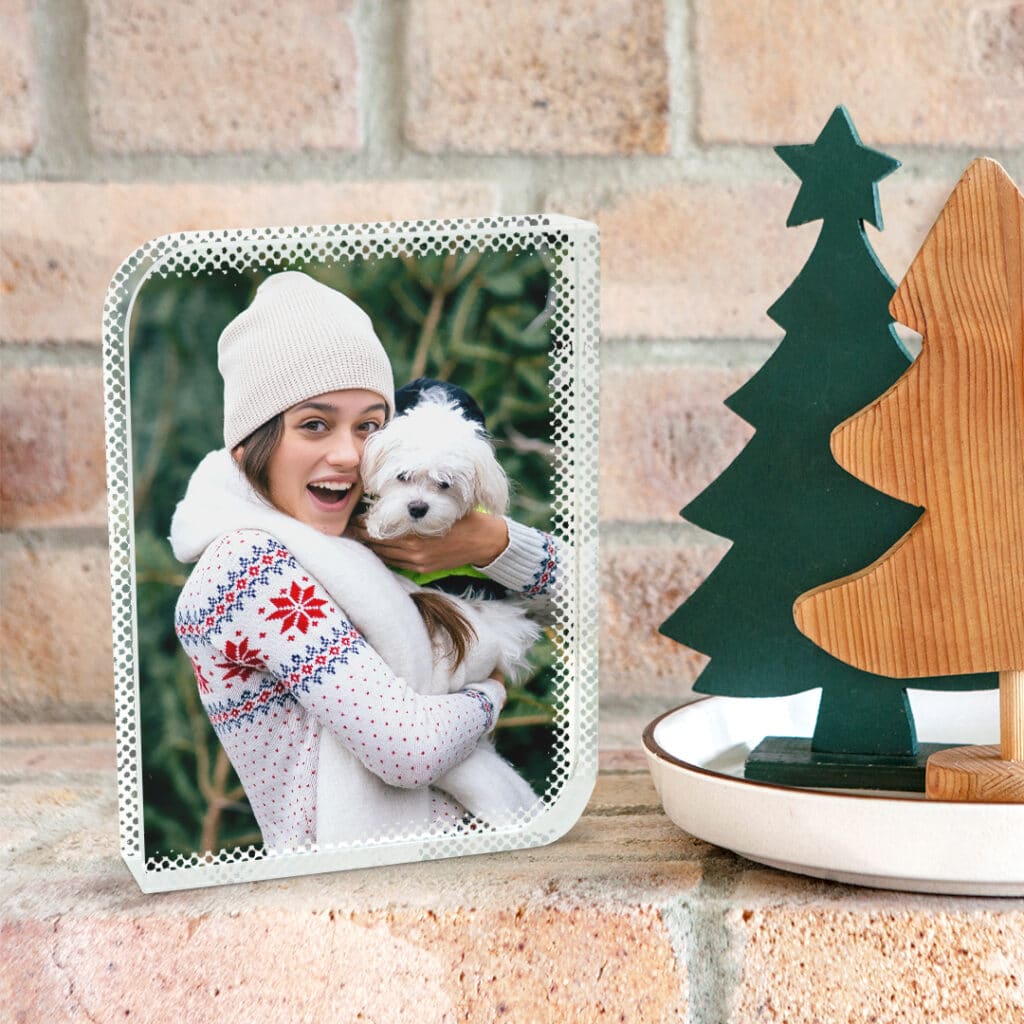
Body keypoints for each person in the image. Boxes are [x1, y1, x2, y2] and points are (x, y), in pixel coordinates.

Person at [170, 271, 561, 851]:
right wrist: (492, 690)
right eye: (314, 425)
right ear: (250, 440)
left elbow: (591, 601)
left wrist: (491, 545)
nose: (349, 454)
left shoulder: (346, 542)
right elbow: (409, 750)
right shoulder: (244, 569)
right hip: (367, 899)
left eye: (370, 426)